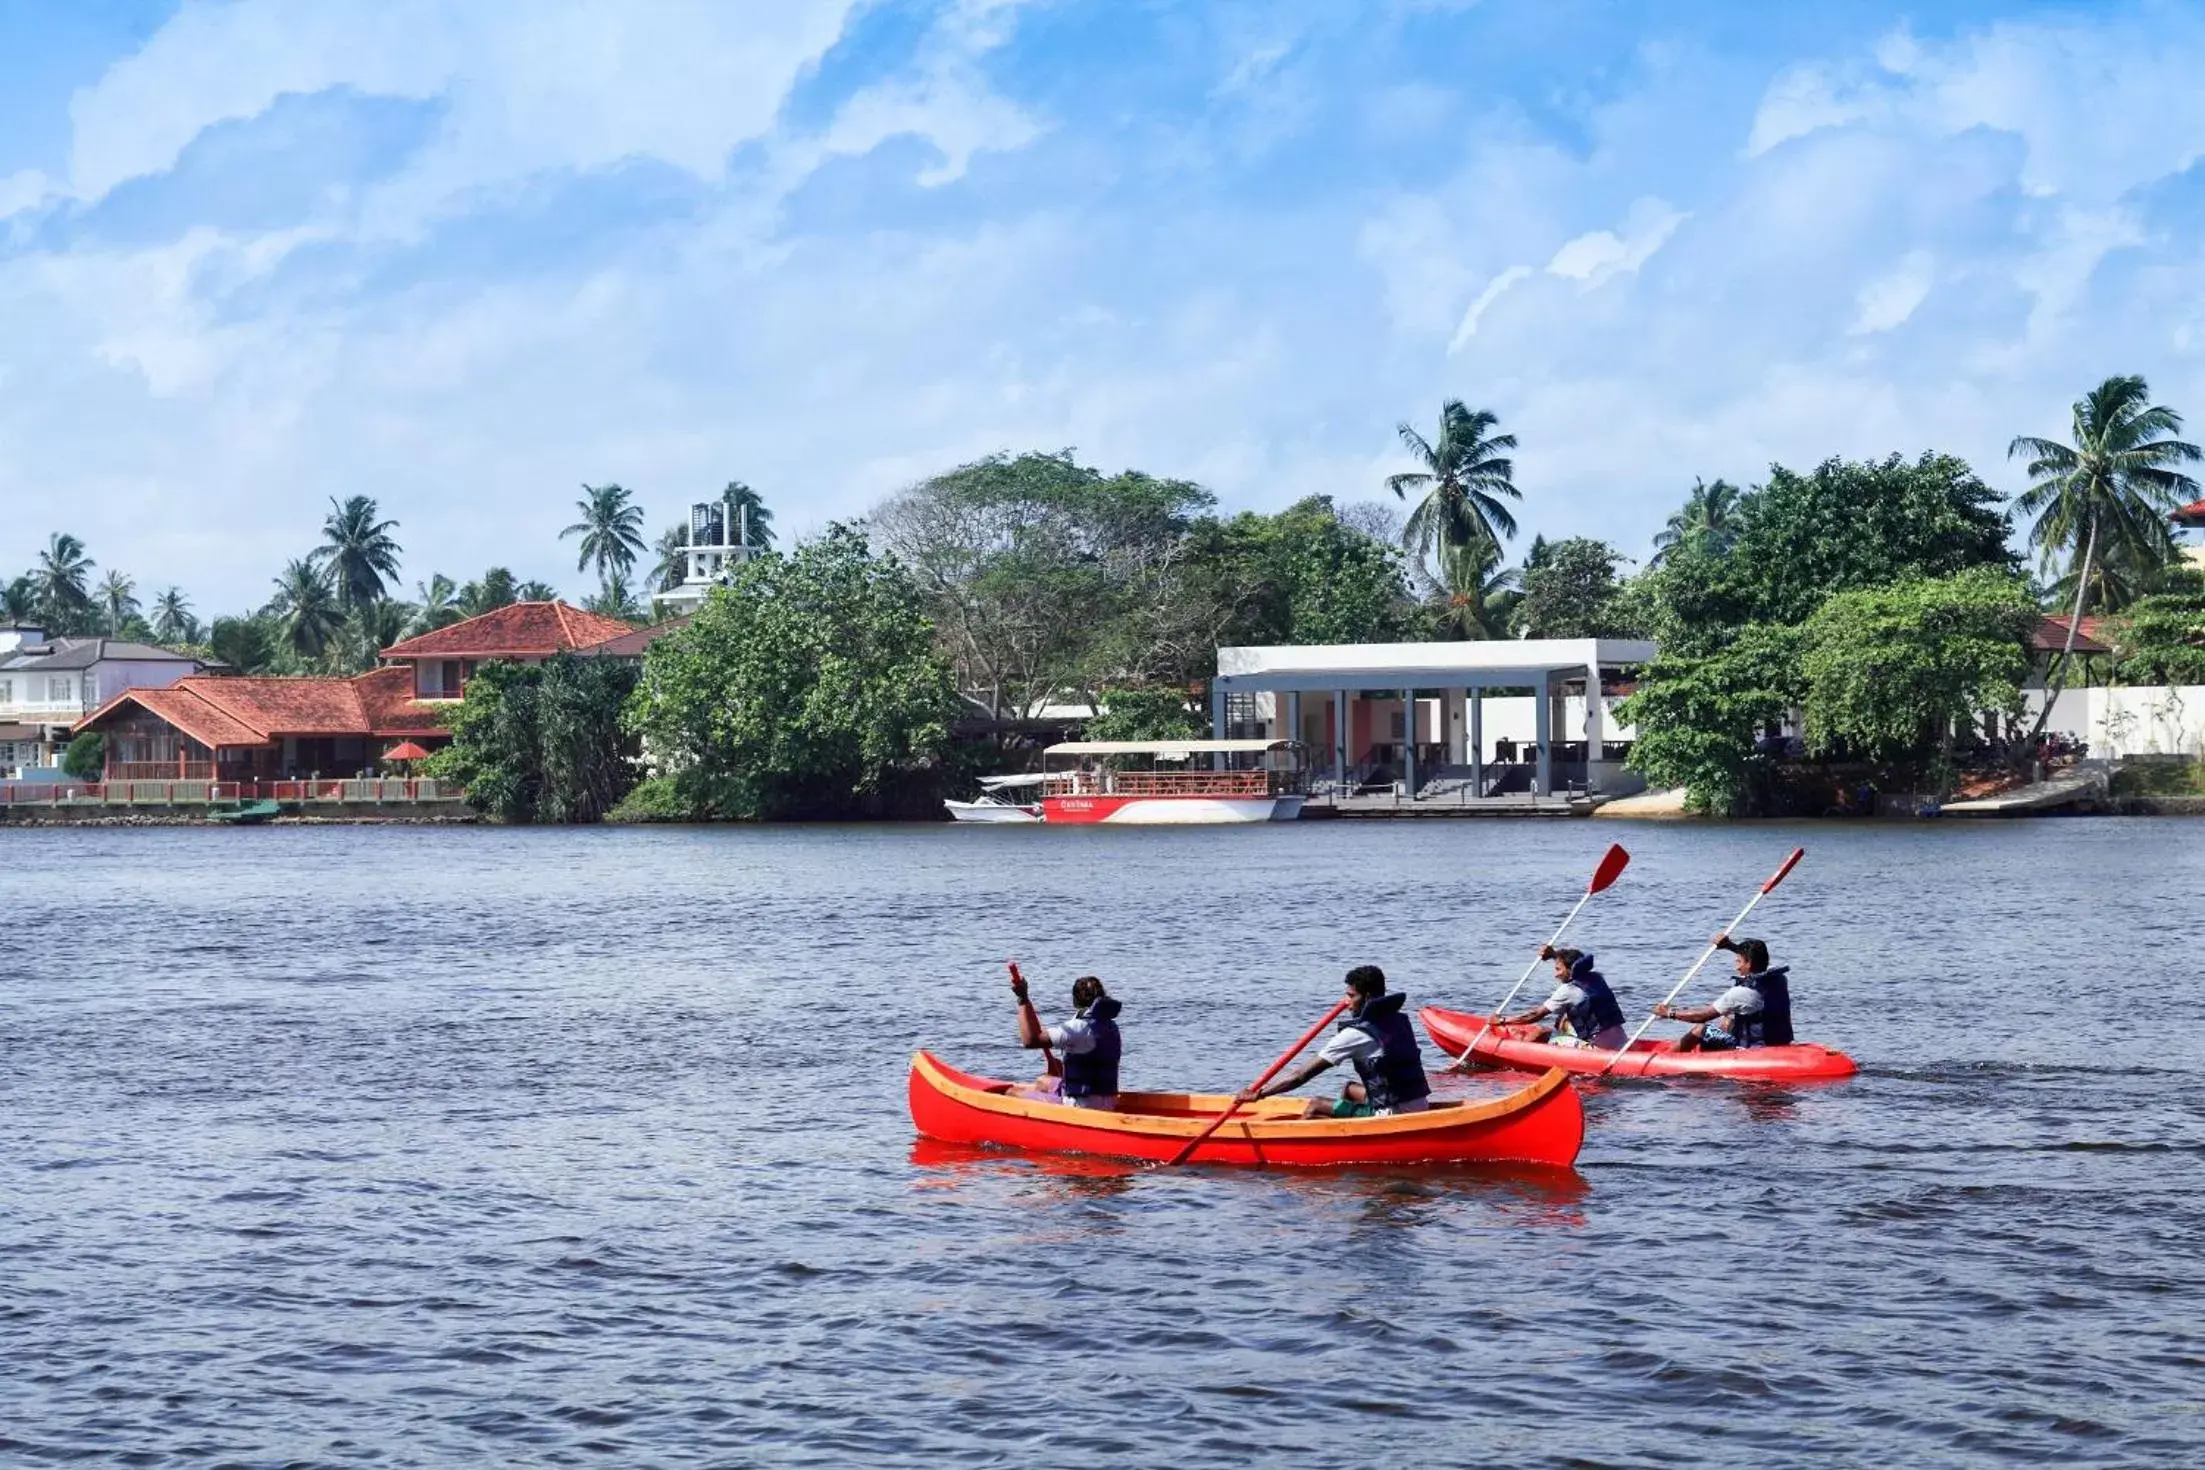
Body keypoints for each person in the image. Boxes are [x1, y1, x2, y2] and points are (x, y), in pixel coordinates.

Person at [1238, 965, 1431, 1119]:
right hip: (1417, 1102)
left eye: (1351, 996)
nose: (1346, 1002)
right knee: (1349, 1089)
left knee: (1316, 1104)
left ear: (1369, 997)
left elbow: (1300, 1076)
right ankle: (1348, 1126)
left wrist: (1260, 1094)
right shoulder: (1398, 1020)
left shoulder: (1356, 1034)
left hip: (1393, 1114)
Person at [1654, 935, 1793, 1051]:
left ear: (1749, 963)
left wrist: (1669, 1013)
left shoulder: (1740, 993)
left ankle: (1665, 1059)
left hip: (1755, 1049)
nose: (1737, 966)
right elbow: (1758, 961)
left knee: (1700, 1029)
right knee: (1727, 1020)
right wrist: (1729, 945)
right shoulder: (1779, 978)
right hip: (1779, 1041)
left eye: (1739, 961)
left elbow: (1701, 1016)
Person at [1476, 946, 1628, 1052]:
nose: (1555, 975)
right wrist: (1553, 954)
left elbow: (1534, 1015)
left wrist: (1503, 1021)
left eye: (1558, 969)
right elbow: (1574, 964)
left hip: (1598, 1048)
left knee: (1542, 1032)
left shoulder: (1567, 990)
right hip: (1621, 1042)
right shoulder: (1596, 979)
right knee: (1563, 1020)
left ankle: (1516, 1052)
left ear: (1570, 970)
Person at [1008, 970, 1121, 1109]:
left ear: (1075, 1001)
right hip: (1106, 1099)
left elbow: (1031, 1040)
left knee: (1012, 1092)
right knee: (1043, 1080)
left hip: (1083, 1105)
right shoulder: (1110, 1025)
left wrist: (1022, 998)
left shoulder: (1079, 1027)